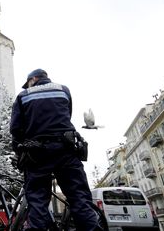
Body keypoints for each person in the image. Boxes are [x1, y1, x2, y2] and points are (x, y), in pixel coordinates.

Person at [10, 69, 101, 231]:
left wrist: (19, 150)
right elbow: (66, 116)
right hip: (66, 150)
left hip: (37, 153)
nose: (27, 86)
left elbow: (16, 129)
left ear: (34, 79)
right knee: (79, 197)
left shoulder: (23, 96)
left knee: (37, 200)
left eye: (28, 83)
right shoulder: (63, 90)